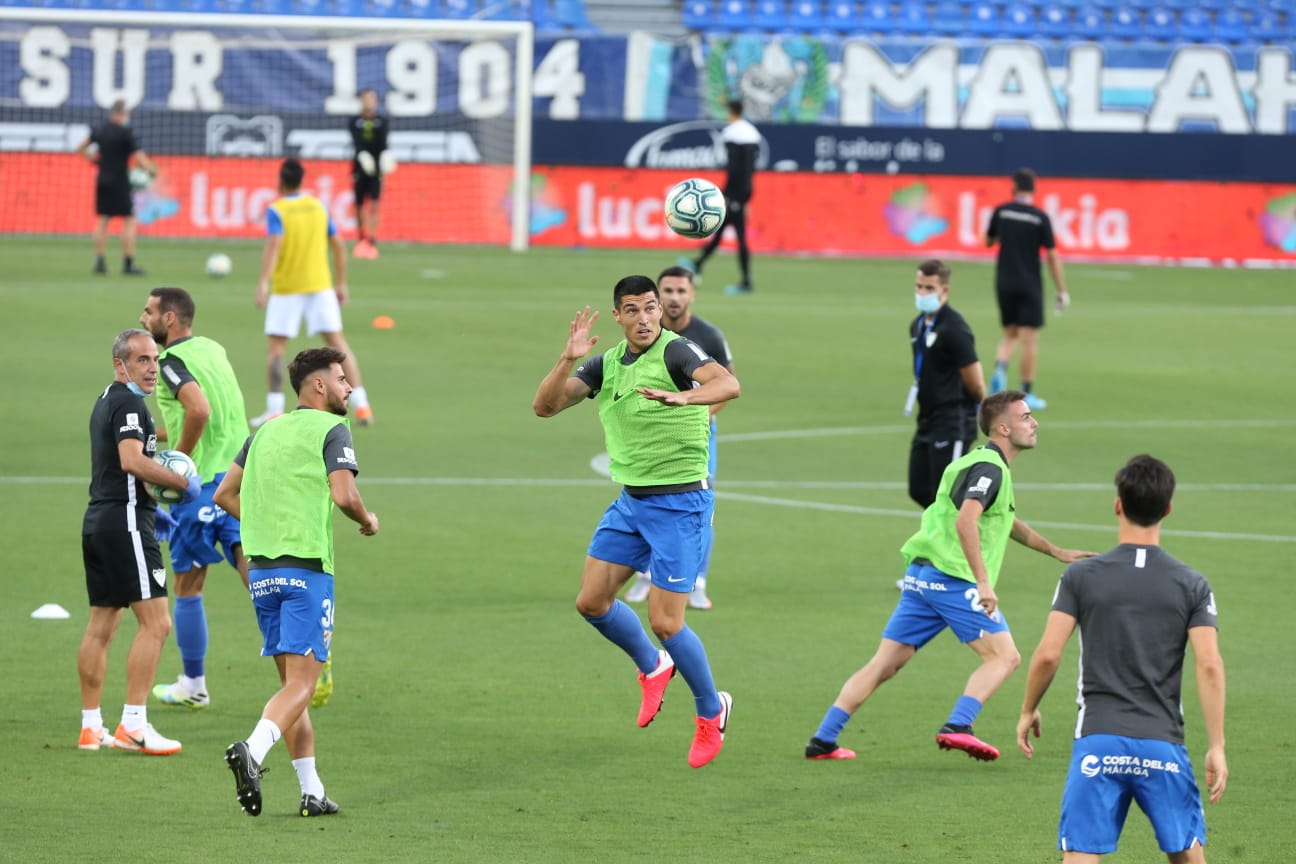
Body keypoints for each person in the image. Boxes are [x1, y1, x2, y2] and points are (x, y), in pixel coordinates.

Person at [803, 390, 1094, 762]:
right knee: (1005, 657)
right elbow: (966, 520)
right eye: (1024, 417)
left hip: (921, 576)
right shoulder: (991, 469)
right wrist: (983, 582)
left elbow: (1004, 520)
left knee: (885, 664)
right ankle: (958, 725)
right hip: (952, 580)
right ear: (1002, 427)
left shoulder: (978, 462)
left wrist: (1053, 550)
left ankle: (823, 740)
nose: (1034, 422)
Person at [532, 275, 741, 768]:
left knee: (667, 621)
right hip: (632, 502)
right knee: (591, 601)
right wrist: (567, 358)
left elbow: (728, 383)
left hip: (681, 505)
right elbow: (544, 407)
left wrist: (686, 397)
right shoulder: (605, 366)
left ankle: (712, 710)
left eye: (651, 308)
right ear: (619, 317)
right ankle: (653, 667)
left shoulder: (677, 353)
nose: (645, 317)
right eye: (634, 310)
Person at [1016, 454, 1227, 862]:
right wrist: (1216, 745)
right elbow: (1209, 664)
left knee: (1080, 854)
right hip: (1162, 741)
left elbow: (1047, 655)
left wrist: (1028, 708)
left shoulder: (1080, 576)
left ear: (1117, 504)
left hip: (1097, 739)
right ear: (1168, 509)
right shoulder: (1192, 584)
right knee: (1187, 854)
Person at [215, 347, 379, 818]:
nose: (349, 387)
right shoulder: (333, 429)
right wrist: (367, 520)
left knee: (291, 687)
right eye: (343, 379)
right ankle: (252, 750)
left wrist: (263, 525)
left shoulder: (264, 430)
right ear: (320, 385)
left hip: (262, 573)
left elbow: (225, 493)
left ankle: (312, 791)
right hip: (306, 571)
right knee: (303, 686)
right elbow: (344, 494)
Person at [78, 328, 201, 755]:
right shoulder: (128, 402)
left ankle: (91, 726)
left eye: (154, 359)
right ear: (120, 364)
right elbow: (133, 461)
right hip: (126, 524)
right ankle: (134, 724)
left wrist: (155, 506)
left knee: (102, 627)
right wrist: (181, 483)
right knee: (157, 623)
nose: (152, 368)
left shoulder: (107, 400)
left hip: (101, 522)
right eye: (142, 360)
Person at [137, 287, 251, 710]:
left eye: (149, 311)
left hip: (199, 485)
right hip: (238, 477)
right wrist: (147, 436)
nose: (143, 317)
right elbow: (210, 412)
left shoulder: (169, 362)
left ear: (169, 318)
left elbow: (198, 411)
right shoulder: (212, 350)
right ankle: (306, 649)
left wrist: (178, 463)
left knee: (188, 585)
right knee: (253, 568)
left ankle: (193, 684)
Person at [625, 265, 736, 611]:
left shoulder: (709, 336)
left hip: (697, 436)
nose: (674, 298)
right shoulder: (644, 336)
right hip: (651, 435)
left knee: (700, 506)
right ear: (656, 299)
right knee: (644, 498)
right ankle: (645, 572)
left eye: (680, 291)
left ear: (692, 295)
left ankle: (697, 582)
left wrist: (696, 414)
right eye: (667, 292)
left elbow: (727, 384)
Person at [251, 158, 373, 428]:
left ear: (280, 181)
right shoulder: (318, 206)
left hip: (287, 288)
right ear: (302, 180)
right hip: (320, 286)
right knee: (338, 345)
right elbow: (340, 246)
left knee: (276, 350)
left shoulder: (277, 210)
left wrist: (262, 282)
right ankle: (362, 405)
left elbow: (274, 245)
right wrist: (341, 283)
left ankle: (273, 410)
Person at [984, 168, 1069, 410]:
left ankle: (1000, 369)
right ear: (1034, 188)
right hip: (1029, 283)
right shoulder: (1039, 217)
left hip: (1004, 281)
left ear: (1013, 186)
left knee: (1009, 334)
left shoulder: (1002, 212)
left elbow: (988, 240)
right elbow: (1052, 256)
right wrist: (1062, 290)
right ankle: (1026, 393)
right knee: (1029, 340)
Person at [906, 259, 985, 509]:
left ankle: (962, 542)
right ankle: (949, 539)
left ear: (944, 291)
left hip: (953, 420)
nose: (922, 293)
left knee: (947, 496)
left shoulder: (955, 329)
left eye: (929, 288)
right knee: (919, 489)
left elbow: (975, 382)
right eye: (919, 286)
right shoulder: (917, 326)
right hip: (927, 418)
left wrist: (983, 413)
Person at [680, 98, 760, 295]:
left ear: (730, 112)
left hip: (736, 192)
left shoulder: (732, 133)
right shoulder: (752, 132)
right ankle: (698, 263)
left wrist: (726, 194)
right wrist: (746, 194)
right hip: (747, 189)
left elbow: (733, 169)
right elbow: (750, 168)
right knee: (721, 229)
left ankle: (746, 281)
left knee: (737, 235)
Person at [77, 99, 157, 276]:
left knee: (103, 220)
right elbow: (140, 159)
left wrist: (94, 159)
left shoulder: (101, 130)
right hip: (120, 180)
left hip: (103, 179)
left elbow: (81, 147)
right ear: (124, 114)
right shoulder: (126, 133)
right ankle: (128, 263)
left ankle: (99, 262)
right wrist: (152, 170)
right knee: (128, 220)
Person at [349, 88, 391, 260]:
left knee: (374, 203)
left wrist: (386, 158)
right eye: (366, 99)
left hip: (377, 168)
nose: (369, 102)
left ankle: (372, 240)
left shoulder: (382, 121)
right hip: (360, 166)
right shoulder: (354, 121)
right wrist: (362, 156)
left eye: (372, 99)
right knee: (359, 204)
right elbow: (356, 143)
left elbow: (384, 144)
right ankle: (361, 237)